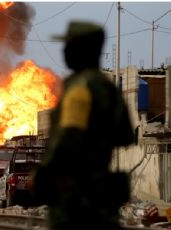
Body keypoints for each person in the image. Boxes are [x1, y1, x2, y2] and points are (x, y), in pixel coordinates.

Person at [32, 21, 134, 229]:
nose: (64, 51)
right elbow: (125, 136)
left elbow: (68, 136)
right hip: (102, 198)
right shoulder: (108, 88)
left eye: (68, 45)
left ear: (79, 50)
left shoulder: (79, 88)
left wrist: (44, 173)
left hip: (74, 200)